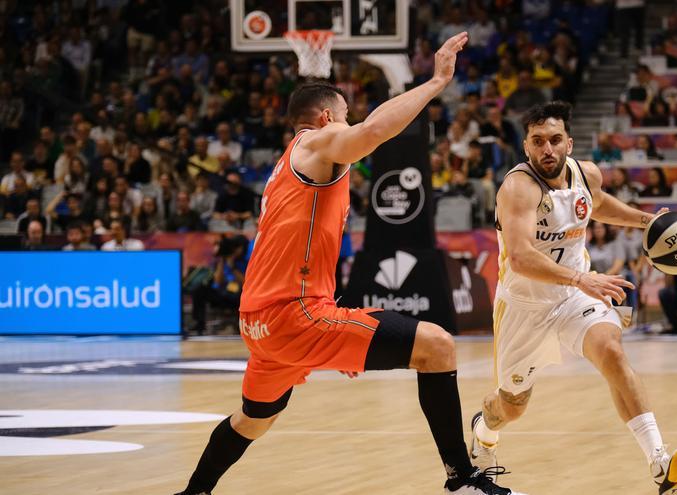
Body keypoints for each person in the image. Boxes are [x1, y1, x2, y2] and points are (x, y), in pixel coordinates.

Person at [173, 33, 523, 495]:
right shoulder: (319, 142)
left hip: (257, 323)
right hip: (295, 314)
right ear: (324, 119)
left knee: (253, 421)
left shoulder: (284, 165)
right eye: (344, 117)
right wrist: (436, 81)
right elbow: (374, 132)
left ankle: (193, 492)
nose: (348, 125)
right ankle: (462, 479)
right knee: (436, 346)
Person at [469, 101, 677, 495]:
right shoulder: (518, 188)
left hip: (574, 297)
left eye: (555, 140)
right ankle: (483, 431)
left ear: (569, 143)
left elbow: (598, 204)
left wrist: (648, 221)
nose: (547, 149)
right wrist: (581, 278)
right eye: (538, 141)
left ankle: (659, 462)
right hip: (524, 308)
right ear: (526, 147)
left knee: (611, 350)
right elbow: (521, 258)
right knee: (513, 405)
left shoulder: (585, 174)